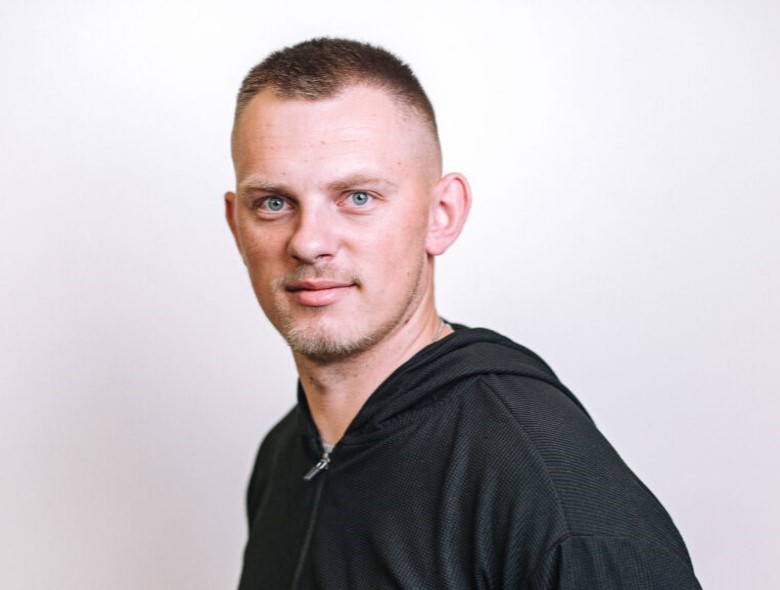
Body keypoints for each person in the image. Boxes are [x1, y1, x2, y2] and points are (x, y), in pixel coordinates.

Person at [225, 38, 701, 589]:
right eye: (274, 203)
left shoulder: (551, 496)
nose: (309, 242)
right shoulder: (287, 453)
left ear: (442, 215)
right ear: (237, 225)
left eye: (357, 197)